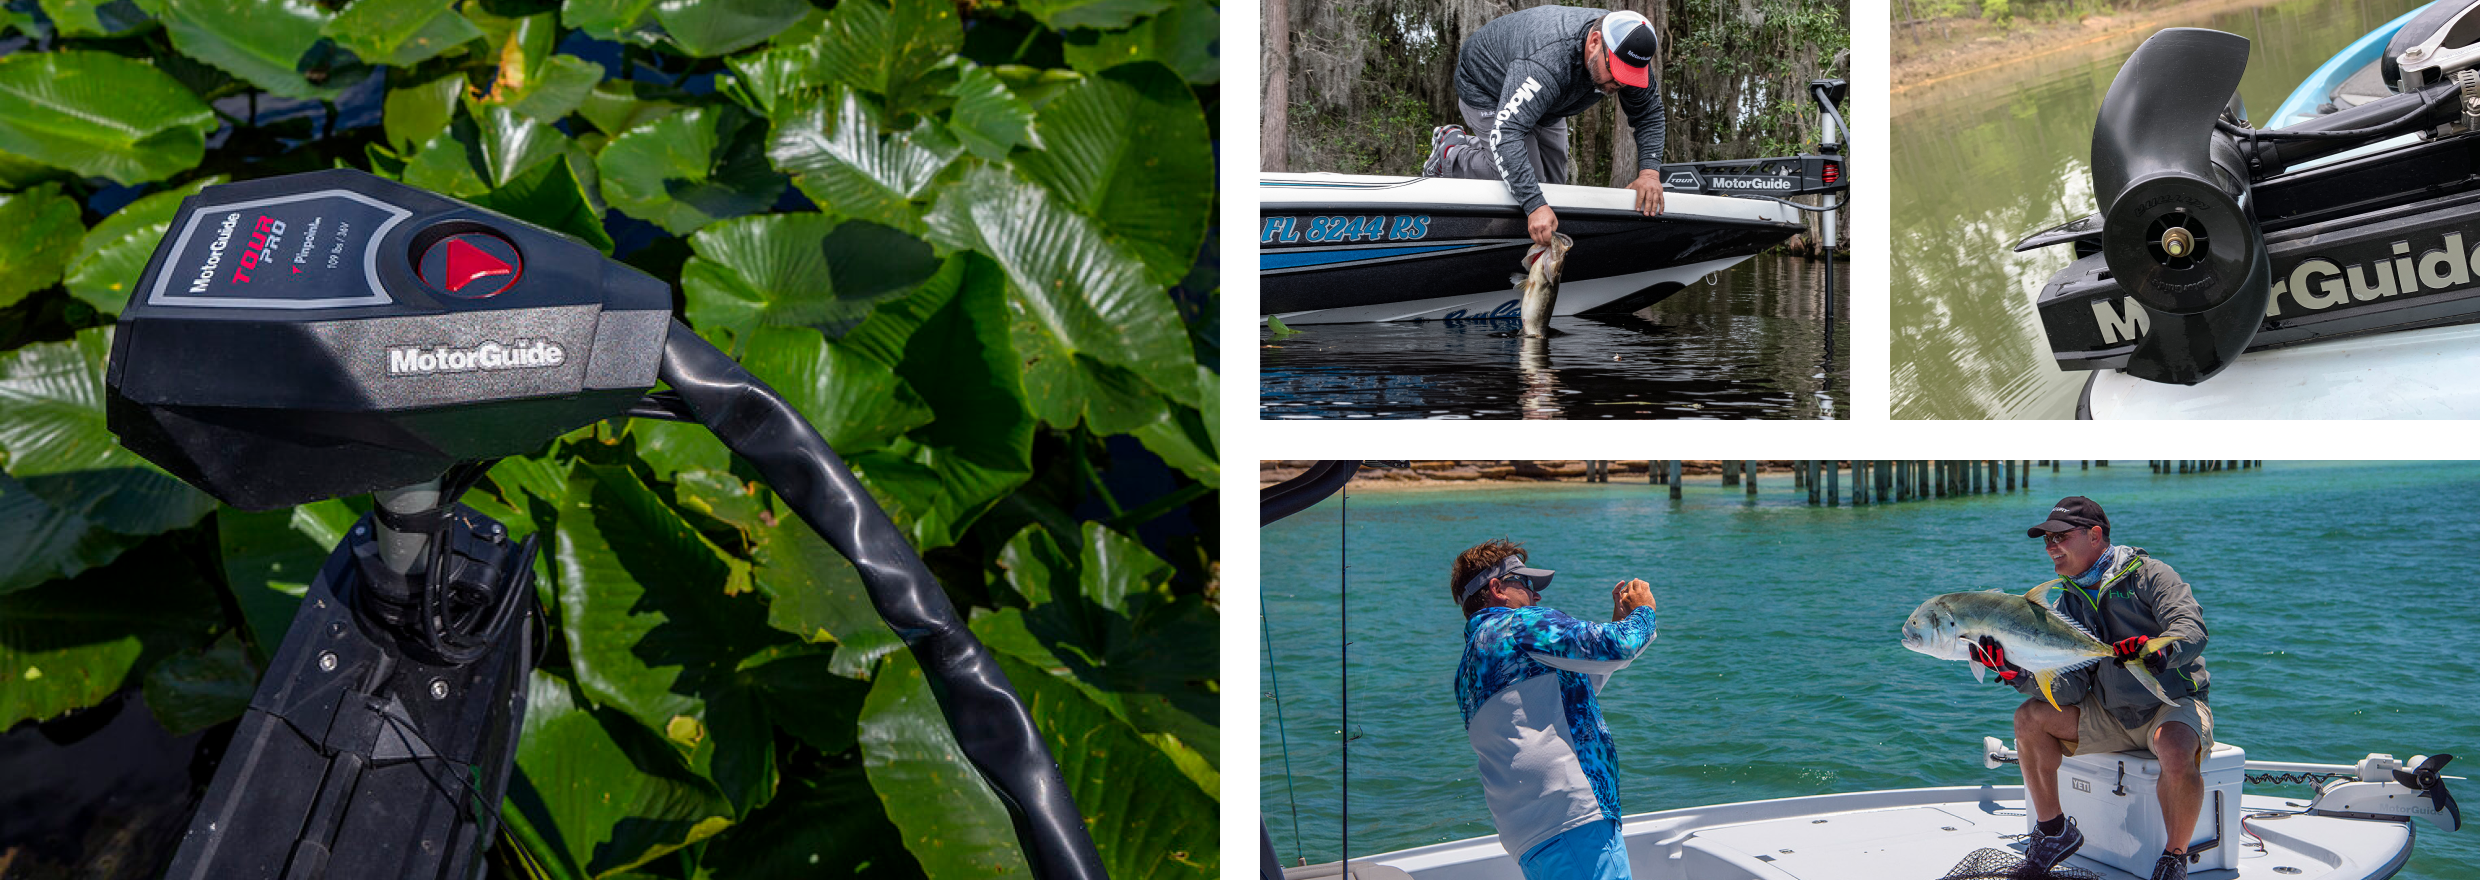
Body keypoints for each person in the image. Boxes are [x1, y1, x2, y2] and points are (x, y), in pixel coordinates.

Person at [1979, 497, 2214, 880]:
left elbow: (2191, 629)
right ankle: (2054, 831)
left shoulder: (2152, 575)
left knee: (2174, 746)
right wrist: (2018, 675)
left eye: (2060, 536)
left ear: (2094, 535)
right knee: (2029, 719)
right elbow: (2070, 687)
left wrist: (2157, 652)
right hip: (2110, 713)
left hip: (2169, 702)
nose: (2050, 546)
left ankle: (2174, 858)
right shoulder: (2067, 604)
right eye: (2046, 539)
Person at [1449, 539, 1656, 880]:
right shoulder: (1519, 625)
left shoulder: (1468, 668)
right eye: (1527, 584)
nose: (1536, 596)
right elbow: (1620, 646)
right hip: (1573, 818)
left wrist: (1616, 622)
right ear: (1497, 588)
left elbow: (1566, 694)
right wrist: (1643, 611)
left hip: (1527, 837)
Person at [1423, 7, 1670, 247]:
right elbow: (1507, 133)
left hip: (1545, 104)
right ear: (1595, 42)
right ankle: (1450, 152)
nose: (1620, 82)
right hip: (1487, 88)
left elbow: (1649, 113)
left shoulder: (1627, 52)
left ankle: (1486, 153)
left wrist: (1649, 174)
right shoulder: (1550, 58)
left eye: (1628, 76)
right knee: (1530, 186)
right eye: (1615, 72)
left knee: (1554, 191)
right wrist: (1534, 205)